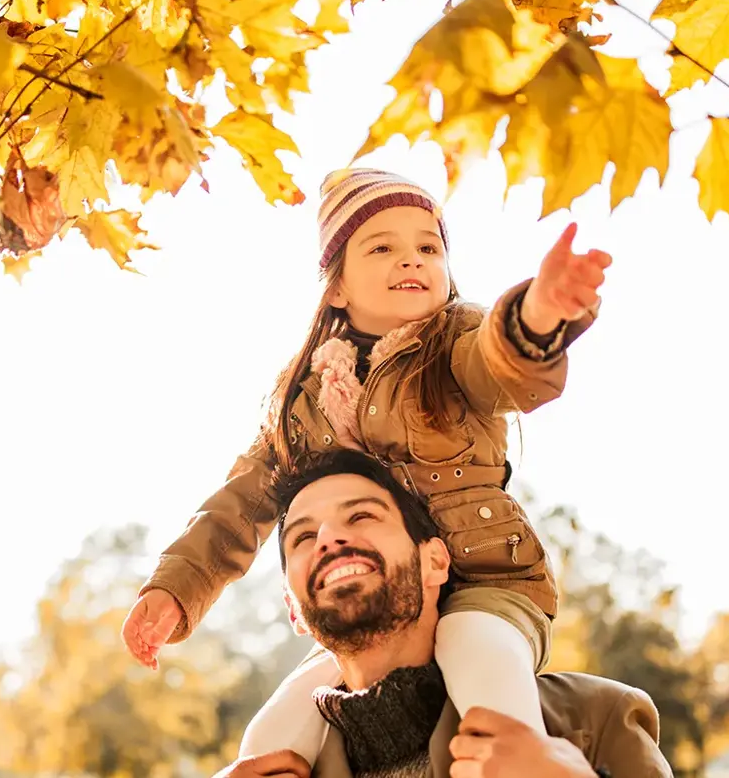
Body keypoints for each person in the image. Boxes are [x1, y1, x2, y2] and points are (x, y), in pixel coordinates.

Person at [122, 168, 613, 761]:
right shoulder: (301, 403)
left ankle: (530, 762)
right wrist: (178, 590)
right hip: (374, 601)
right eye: (383, 247)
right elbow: (239, 505)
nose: (412, 261)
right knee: (279, 724)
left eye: (428, 248)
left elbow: (498, 361)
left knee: (476, 651)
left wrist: (536, 316)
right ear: (336, 288)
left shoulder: (453, 343)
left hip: (484, 579)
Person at [216, 449, 673, 778]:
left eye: (362, 517)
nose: (329, 537)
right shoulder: (274, 766)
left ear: (436, 561)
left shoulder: (593, 721)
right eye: (302, 537)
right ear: (293, 610)